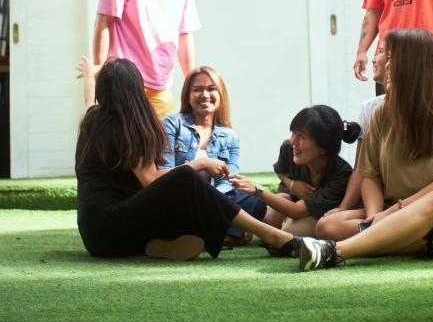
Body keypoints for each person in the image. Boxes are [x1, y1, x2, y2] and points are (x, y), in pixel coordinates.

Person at [300, 28, 433, 270]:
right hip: (395, 209)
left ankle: (336, 252)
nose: (383, 63)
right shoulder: (382, 111)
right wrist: (375, 215)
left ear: (413, 65)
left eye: (391, 57)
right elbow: (370, 174)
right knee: (327, 226)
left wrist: (392, 212)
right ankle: (429, 244)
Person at [75, 57, 301, 261]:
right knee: (184, 174)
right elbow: (151, 180)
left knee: (184, 186)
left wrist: (89, 74)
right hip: (113, 229)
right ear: (137, 89)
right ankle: (272, 235)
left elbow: (88, 98)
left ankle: (157, 246)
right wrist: (199, 163)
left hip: (95, 236)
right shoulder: (129, 130)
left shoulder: (93, 118)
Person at [162, 66, 266, 246]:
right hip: (180, 199)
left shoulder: (230, 137)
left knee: (254, 202)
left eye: (211, 88)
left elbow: (229, 179)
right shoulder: (172, 124)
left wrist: (212, 200)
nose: (205, 94)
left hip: (216, 202)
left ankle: (202, 236)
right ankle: (225, 236)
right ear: (188, 96)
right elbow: (165, 173)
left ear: (221, 94)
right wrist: (201, 164)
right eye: (197, 89)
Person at [230, 105, 352, 237]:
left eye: (302, 136)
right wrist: (291, 184)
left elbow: (298, 211)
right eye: (294, 132)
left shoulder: (341, 175)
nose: (294, 141)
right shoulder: (288, 148)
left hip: (321, 211)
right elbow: (280, 171)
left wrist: (257, 189)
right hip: (292, 197)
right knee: (268, 220)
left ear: (323, 148)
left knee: (290, 231)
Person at [324, 43, 387, 225]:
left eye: (381, 52)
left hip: (414, 201)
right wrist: (344, 208)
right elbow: (362, 168)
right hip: (380, 199)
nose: (373, 58)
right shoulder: (370, 108)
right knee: (328, 226)